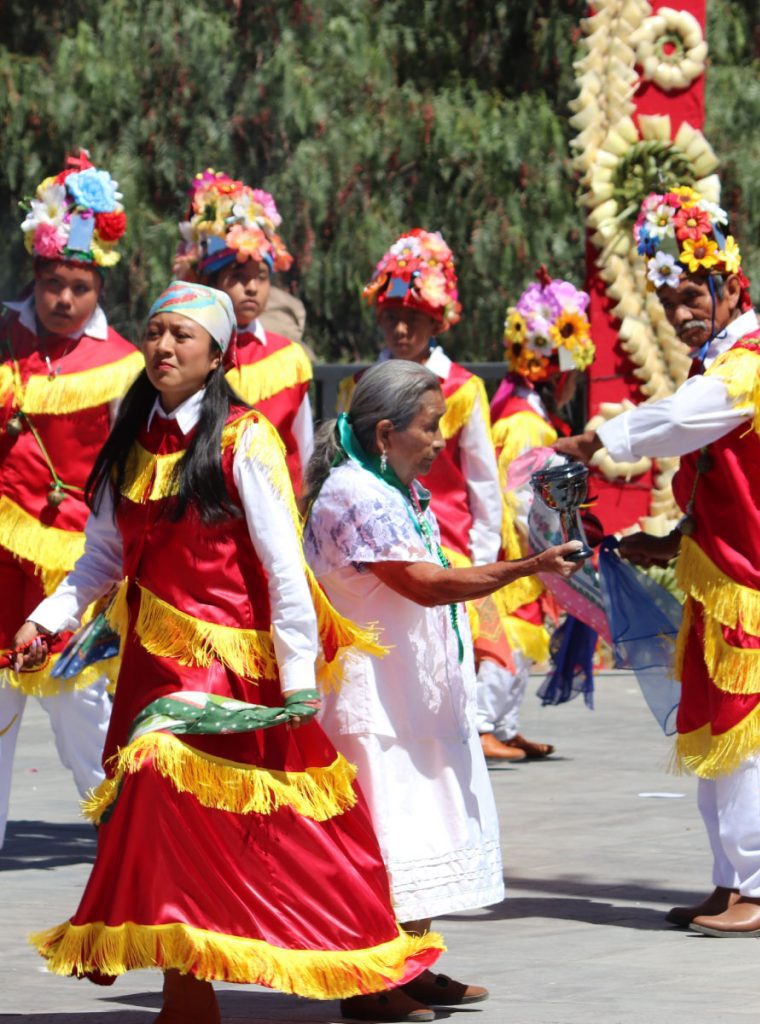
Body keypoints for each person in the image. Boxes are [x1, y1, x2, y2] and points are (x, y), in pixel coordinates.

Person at [16, 282, 442, 1024]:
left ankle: (355, 966)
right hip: (153, 662)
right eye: (155, 332)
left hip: (230, 666)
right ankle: (189, 990)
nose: (163, 347)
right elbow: (101, 558)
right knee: (174, 817)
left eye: (181, 336)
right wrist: (45, 621)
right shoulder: (131, 439)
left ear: (217, 355)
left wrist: (299, 677)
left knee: (256, 818)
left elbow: (284, 567)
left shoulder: (244, 438)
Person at [555, 185, 760, 937]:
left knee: (751, 738)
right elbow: (731, 482)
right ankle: (735, 881)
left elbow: (679, 421)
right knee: (714, 736)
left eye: (691, 296)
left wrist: (598, 442)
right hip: (726, 579)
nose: (679, 314)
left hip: (759, 589)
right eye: (668, 300)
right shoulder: (724, 364)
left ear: (731, 286)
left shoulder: (751, 366)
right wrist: (674, 542)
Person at [304, 359, 582, 1019]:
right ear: (385, 434)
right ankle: (367, 980)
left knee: (419, 833)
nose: (439, 440)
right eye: (430, 427)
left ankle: (410, 964)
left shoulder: (391, 488)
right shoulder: (355, 494)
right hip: (373, 703)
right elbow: (423, 585)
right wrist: (528, 566)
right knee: (385, 837)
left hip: (408, 695)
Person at [0, 152, 143, 849]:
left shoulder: (122, 361)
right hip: (3, 552)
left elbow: (130, 472)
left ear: (98, 287)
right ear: (34, 277)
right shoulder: (5, 339)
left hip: (75, 563)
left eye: (78, 287)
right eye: (52, 283)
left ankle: (125, 838)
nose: (63, 298)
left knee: (83, 708)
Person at [361, 230, 516, 762]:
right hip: (385, 545)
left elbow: (482, 483)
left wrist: (482, 555)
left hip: (448, 545)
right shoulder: (363, 385)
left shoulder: (464, 388)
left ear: (436, 321)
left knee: (462, 658)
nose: (401, 329)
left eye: (414, 318)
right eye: (391, 317)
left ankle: (459, 744)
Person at [488, 271, 596, 758]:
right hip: (516, 544)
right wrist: (547, 543)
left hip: (523, 544)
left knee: (524, 626)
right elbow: (519, 497)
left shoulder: (525, 416)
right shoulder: (524, 422)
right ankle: (485, 722)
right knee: (513, 628)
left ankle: (503, 725)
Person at [176, 170, 313, 497]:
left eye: (261, 276)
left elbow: (304, 447)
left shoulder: (289, 358)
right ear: (208, 281)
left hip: (279, 506)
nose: (251, 287)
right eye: (238, 275)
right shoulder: (187, 351)